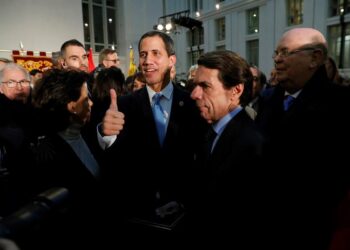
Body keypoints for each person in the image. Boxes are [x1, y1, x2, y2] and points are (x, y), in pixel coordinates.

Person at [100, 30, 206, 241]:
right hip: (138, 217)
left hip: (182, 218)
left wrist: (186, 201)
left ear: (171, 60)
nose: (147, 61)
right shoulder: (123, 105)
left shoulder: (192, 104)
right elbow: (113, 164)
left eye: (156, 53)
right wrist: (105, 134)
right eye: (143, 54)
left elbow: (201, 160)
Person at [256, 27, 350, 250]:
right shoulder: (269, 100)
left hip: (311, 230)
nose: (278, 59)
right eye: (276, 53)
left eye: (286, 53)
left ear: (315, 58)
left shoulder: (341, 104)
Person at [189, 50, 264, 246]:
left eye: (205, 86)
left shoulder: (251, 145)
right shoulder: (209, 131)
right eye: (195, 85)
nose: (194, 94)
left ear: (236, 91)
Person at [30, 69, 105, 249]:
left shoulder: (88, 133)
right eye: (86, 99)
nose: (92, 103)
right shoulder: (47, 155)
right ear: (72, 106)